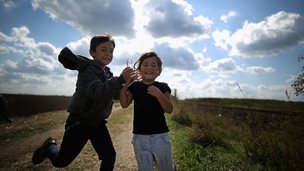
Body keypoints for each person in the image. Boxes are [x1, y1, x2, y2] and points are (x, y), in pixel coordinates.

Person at [32, 33, 136, 171]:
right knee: (61, 161)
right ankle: (50, 145)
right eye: (103, 50)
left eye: (111, 51)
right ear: (93, 53)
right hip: (80, 122)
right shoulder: (87, 70)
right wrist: (120, 79)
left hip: (97, 122)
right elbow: (97, 91)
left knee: (109, 156)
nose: (108, 54)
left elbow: (114, 93)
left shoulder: (108, 74)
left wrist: (129, 83)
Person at [120, 51, 175, 171]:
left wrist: (158, 94)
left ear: (159, 71)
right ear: (139, 69)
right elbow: (124, 104)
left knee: (166, 168)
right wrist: (125, 84)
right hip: (140, 137)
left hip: (160, 136)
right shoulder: (134, 86)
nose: (149, 67)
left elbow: (169, 109)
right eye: (145, 65)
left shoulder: (163, 87)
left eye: (153, 65)